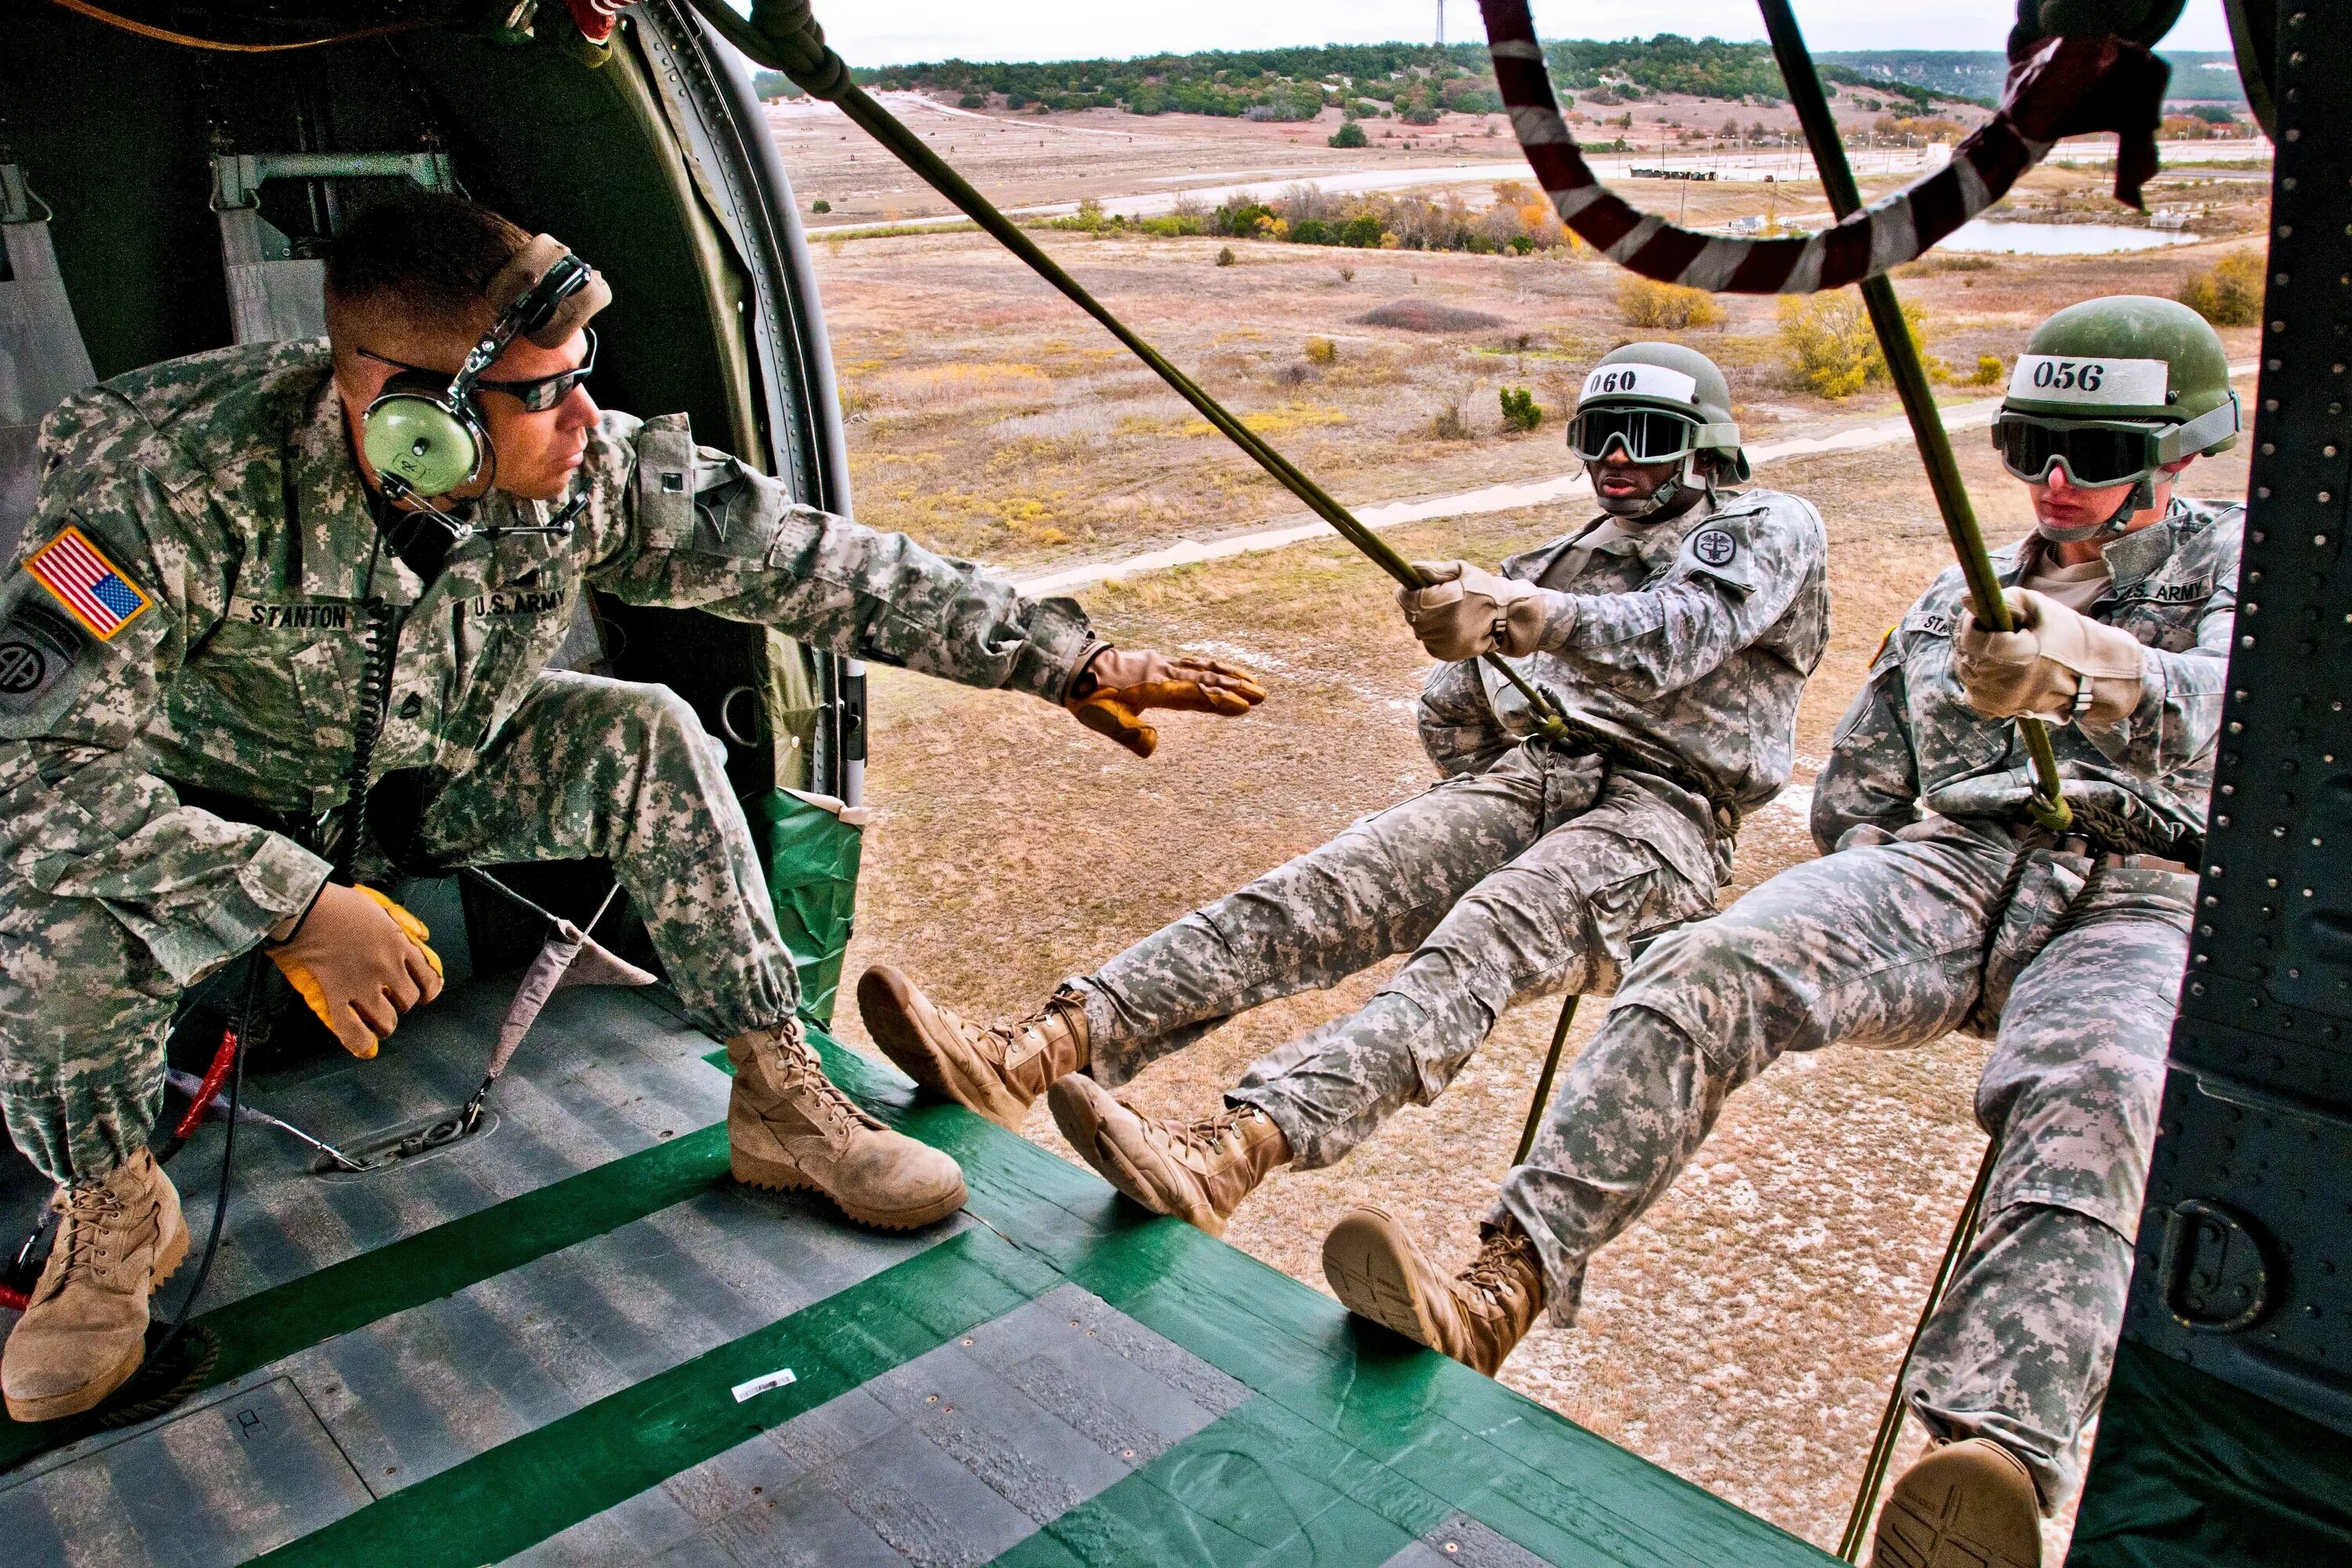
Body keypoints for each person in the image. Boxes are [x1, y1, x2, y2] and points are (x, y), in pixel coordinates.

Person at [0, 192, 1264, 1422]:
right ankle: (113, 1206)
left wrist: (1061, 659)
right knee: (51, 925)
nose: (584, 417)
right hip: (202, 817)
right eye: (544, 391)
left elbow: (798, 556)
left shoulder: (579, 467)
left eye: (578, 371)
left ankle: (777, 1093)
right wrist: (289, 902)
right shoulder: (166, 479)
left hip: (436, 778)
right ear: (409, 423)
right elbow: (28, 772)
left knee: (647, 735)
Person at [1317, 297, 2241, 1568]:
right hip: (1955, 867)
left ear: (2182, 452)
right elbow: (1861, 782)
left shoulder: (2249, 574)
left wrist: (2094, 673)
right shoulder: (1951, 601)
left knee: (2103, 1090)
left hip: (2144, 894)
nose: (2060, 483)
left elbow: (2242, 705)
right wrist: (1868, 890)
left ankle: (1984, 1474)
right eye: (2034, 449)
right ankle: (1499, 1287)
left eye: (2100, 455)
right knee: (1708, 960)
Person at [858, 343, 1828, 1241]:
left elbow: (1680, 632)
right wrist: (1471, 691)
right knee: (1324, 887)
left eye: (1646, 438)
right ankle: (1041, 1044)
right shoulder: (1572, 552)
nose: (1615, 460)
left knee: (1481, 939)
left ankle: (1236, 1147)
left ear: (1707, 450)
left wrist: (1524, 616)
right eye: (1595, 439)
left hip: (1667, 815)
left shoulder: (1769, 527)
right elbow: (1454, 709)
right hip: (1536, 774)